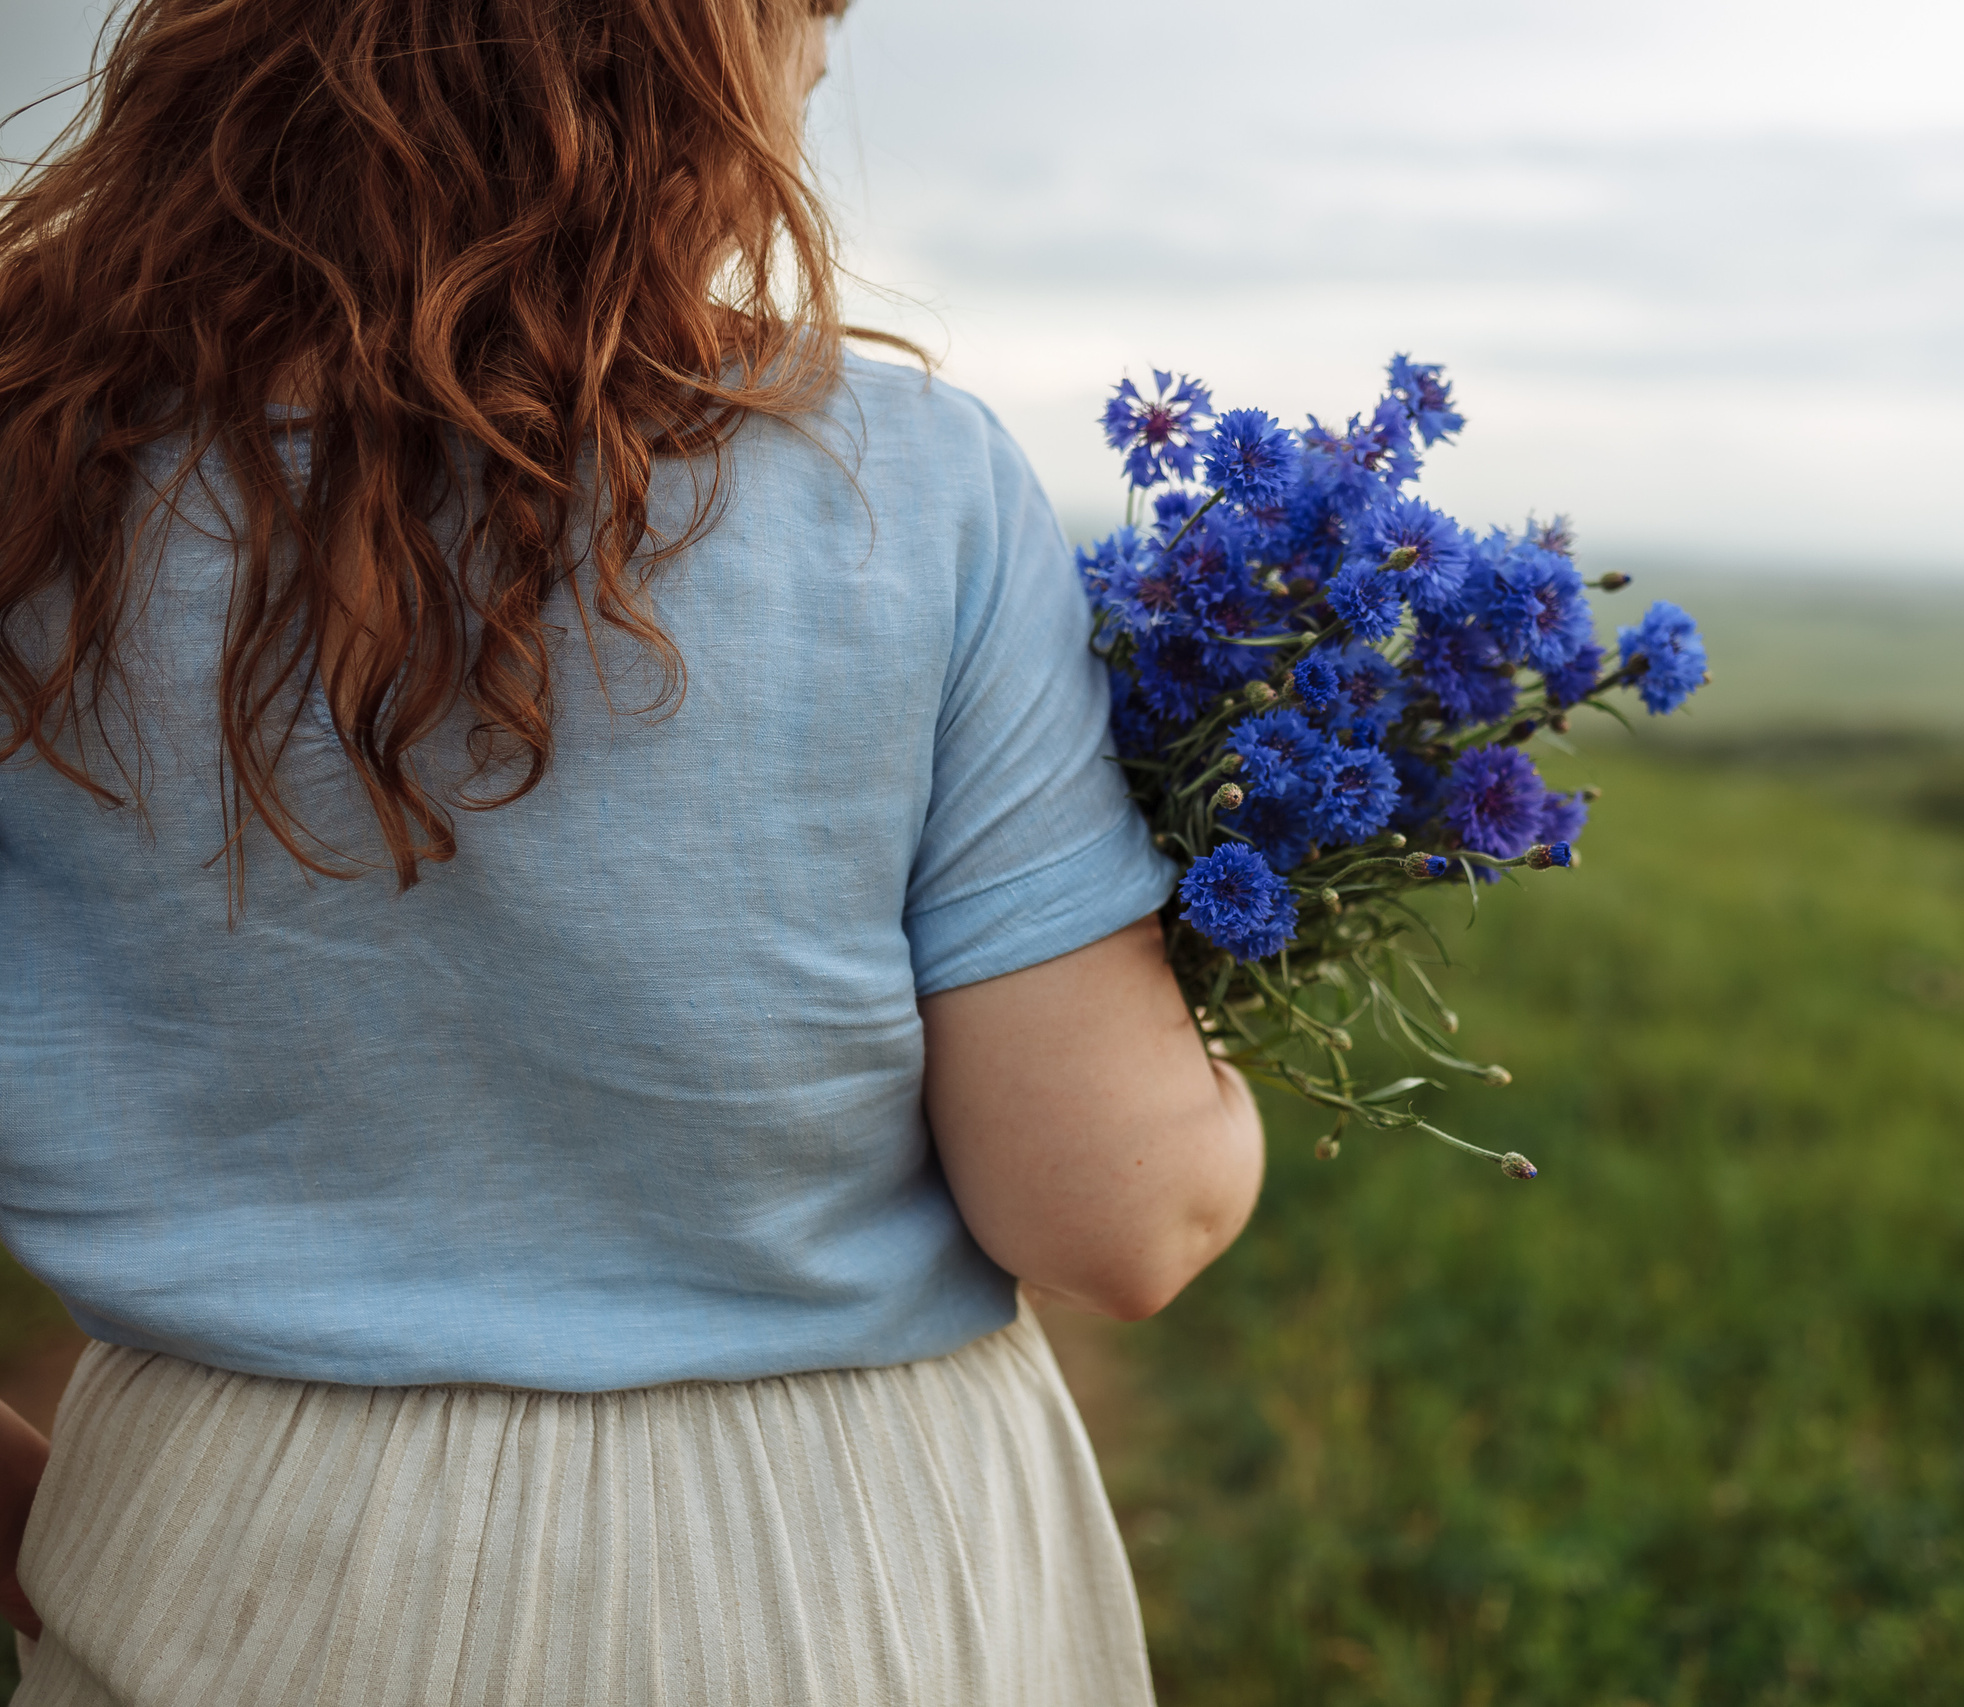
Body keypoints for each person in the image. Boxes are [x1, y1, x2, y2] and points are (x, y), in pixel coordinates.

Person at [0, 0, 1266, 1700]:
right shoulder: (902, 485)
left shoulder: (37, 479)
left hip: (202, 1541)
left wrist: (73, 1528)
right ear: (678, 55)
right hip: (833, 1575)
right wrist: (1220, 1085)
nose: (831, 41)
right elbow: (1118, 1220)